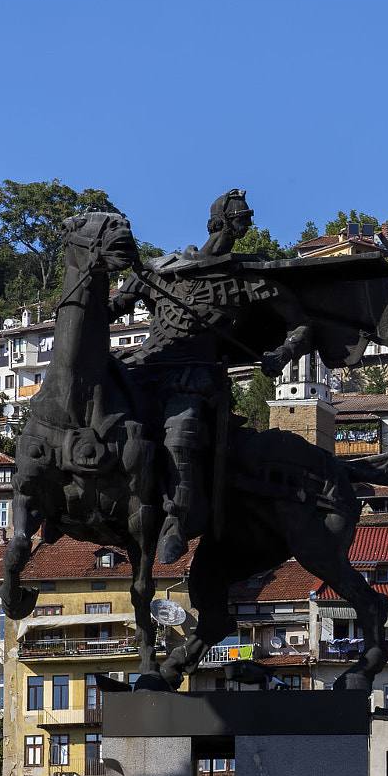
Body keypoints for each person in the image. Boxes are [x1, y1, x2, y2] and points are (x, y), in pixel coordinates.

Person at [112, 190, 314, 562]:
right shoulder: (161, 270)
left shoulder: (248, 280)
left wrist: (282, 354)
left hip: (196, 374)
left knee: (180, 434)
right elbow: (111, 308)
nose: (248, 225)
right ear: (219, 221)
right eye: (241, 218)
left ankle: (175, 519)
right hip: (145, 364)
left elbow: (301, 326)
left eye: (247, 219)